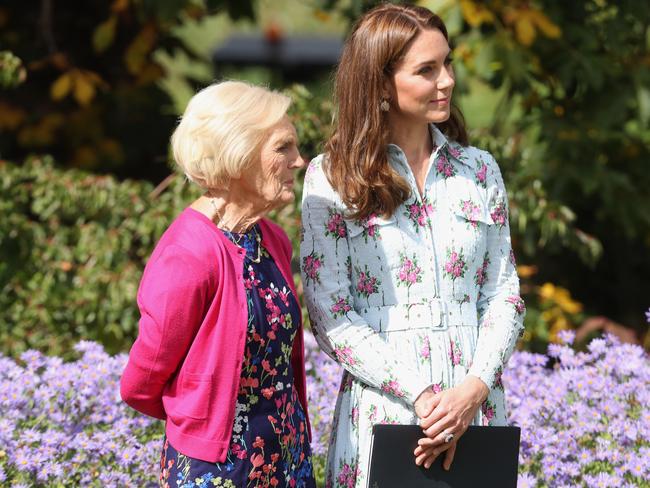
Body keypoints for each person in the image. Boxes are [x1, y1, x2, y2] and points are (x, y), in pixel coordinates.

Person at [300, 4, 525, 487]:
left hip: (476, 412)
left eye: (447, 63)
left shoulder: (479, 170)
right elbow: (330, 313)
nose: (446, 80)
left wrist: (473, 390)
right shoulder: (333, 177)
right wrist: (424, 397)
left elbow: (504, 293)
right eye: (426, 70)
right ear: (381, 83)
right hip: (388, 412)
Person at [121, 80, 316, 488]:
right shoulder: (189, 254)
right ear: (239, 152)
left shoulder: (270, 239)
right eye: (283, 148)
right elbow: (141, 382)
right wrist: (199, 418)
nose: (299, 161)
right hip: (219, 469)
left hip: (288, 461)